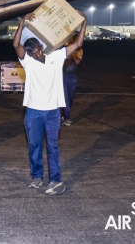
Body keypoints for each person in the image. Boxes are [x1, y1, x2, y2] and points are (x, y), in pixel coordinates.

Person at [12, 11, 86, 195]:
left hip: (52, 111)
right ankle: (37, 177)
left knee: (53, 147)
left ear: (41, 46)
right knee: (34, 146)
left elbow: (78, 44)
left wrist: (83, 22)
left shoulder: (56, 56)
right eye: (33, 53)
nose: (37, 54)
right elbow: (15, 44)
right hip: (33, 112)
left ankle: (55, 179)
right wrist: (22, 22)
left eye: (38, 49)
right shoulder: (28, 62)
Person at [61, 33, 83, 127]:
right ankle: (67, 118)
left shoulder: (79, 51)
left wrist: (73, 52)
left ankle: (65, 113)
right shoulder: (66, 49)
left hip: (72, 76)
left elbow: (77, 61)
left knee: (70, 98)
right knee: (65, 98)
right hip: (63, 76)